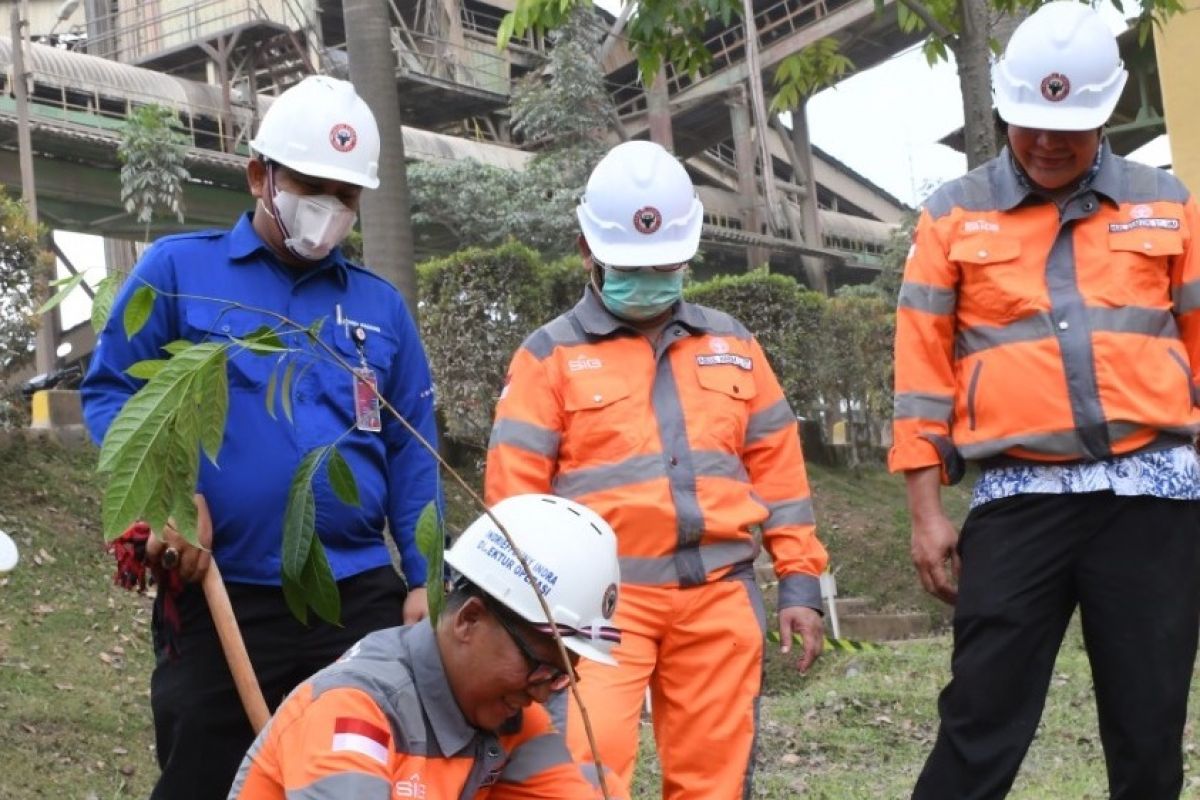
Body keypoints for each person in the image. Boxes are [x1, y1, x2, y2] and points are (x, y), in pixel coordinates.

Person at [81, 76, 439, 800]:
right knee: (203, 776)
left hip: (357, 598)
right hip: (222, 595)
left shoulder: (379, 307)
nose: (329, 212)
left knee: (357, 779)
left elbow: (412, 448)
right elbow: (114, 391)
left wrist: (429, 579)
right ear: (258, 174)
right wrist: (168, 497)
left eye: (346, 197)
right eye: (312, 186)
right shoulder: (181, 274)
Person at [890, 4, 1200, 798]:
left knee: (1149, 723)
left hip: (1153, 500)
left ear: (1112, 112)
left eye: (1074, 126)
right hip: (1020, 497)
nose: (1049, 143)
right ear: (1003, 109)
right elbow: (921, 372)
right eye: (1031, 124)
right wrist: (926, 512)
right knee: (979, 718)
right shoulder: (951, 215)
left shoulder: (1167, 204)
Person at [485, 140, 828, 798]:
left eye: (663, 262)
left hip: (720, 599)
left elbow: (781, 476)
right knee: (579, 778)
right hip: (593, 615)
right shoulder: (548, 358)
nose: (647, 277)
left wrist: (800, 585)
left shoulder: (734, 347)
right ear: (587, 250)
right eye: (628, 263)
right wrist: (526, 620)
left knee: (715, 785)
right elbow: (514, 501)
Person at [227, 493, 627, 800]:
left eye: (561, 676)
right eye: (539, 666)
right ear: (469, 620)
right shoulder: (352, 711)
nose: (541, 692)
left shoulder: (512, 718)